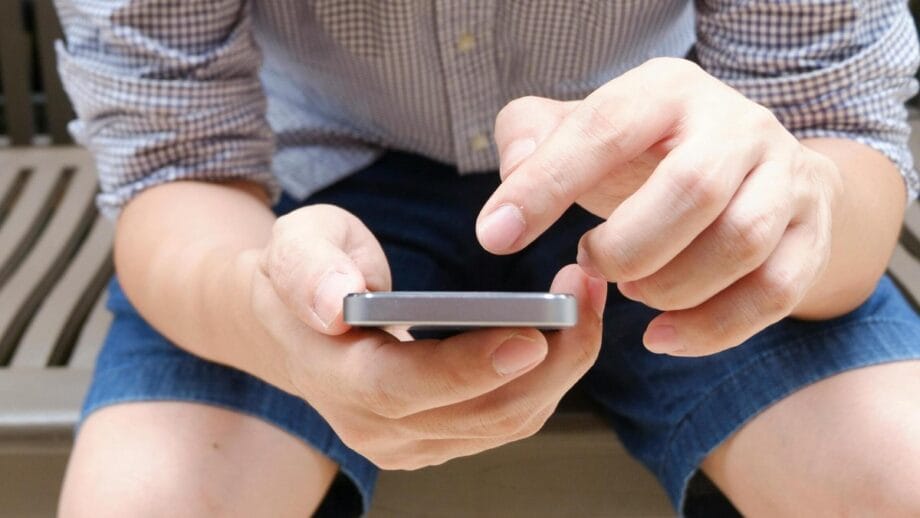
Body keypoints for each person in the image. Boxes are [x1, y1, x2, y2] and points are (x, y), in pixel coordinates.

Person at [53, 1, 920, 516]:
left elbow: (833, 134)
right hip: (305, 200)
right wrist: (260, 314)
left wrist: (789, 207)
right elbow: (175, 167)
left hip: (673, 178)